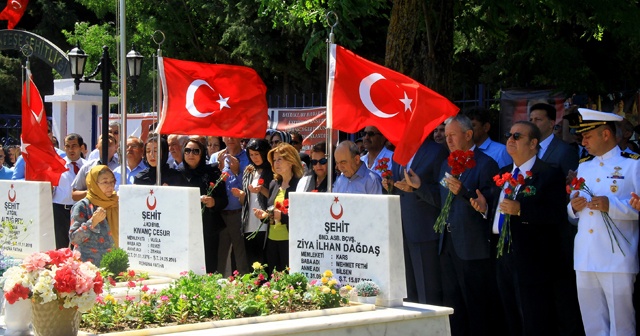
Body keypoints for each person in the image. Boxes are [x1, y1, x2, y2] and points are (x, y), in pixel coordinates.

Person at [477, 121, 565, 335]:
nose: (510, 139)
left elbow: (556, 215)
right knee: (508, 314)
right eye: (509, 134)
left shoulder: (548, 174)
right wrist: (484, 208)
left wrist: (522, 210)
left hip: (530, 256)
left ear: (533, 143)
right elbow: (496, 209)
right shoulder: (503, 172)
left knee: (532, 315)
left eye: (517, 136)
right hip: (500, 251)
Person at [566, 108, 640, 336]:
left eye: (587, 136)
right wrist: (573, 208)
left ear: (605, 134)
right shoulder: (585, 165)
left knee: (621, 323)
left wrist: (613, 206)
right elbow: (573, 206)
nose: (583, 141)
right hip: (586, 255)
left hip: (616, 256)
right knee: (592, 323)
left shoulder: (632, 164)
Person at [529, 102, 583, 335]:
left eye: (538, 120)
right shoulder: (530, 149)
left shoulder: (564, 151)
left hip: (561, 230)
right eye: (530, 120)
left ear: (552, 123)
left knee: (563, 292)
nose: (533, 124)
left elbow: (572, 190)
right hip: (537, 229)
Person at [383, 136, 448, 306]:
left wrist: (419, 188)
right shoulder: (399, 150)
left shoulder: (437, 151)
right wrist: (390, 185)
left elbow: (442, 194)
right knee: (407, 293)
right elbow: (402, 188)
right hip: (402, 230)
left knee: (428, 294)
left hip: (425, 231)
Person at [179, 139, 229, 274]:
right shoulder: (177, 173)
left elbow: (224, 200)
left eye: (196, 151)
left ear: (202, 154)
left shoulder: (212, 172)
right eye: (187, 150)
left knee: (208, 265)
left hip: (208, 227)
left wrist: (214, 202)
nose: (191, 154)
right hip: (184, 228)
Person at [253, 143, 303, 274]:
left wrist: (282, 216)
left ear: (291, 160)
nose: (276, 163)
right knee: (274, 280)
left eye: (280, 159)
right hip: (271, 240)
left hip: (290, 242)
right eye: (274, 160)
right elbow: (272, 211)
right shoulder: (274, 184)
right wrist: (264, 215)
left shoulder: (300, 184)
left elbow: (303, 217)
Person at [231, 139, 273, 265]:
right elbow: (244, 201)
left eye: (257, 154)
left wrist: (261, 189)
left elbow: (276, 196)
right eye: (251, 154)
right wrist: (241, 194)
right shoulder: (249, 170)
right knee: (252, 260)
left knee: (265, 259)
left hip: (266, 221)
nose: (254, 158)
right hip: (249, 222)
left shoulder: (272, 170)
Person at [69, 165, 117, 265]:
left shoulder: (115, 204)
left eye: (112, 181)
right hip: (88, 266)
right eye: (105, 182)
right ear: (94, 184)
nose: (110, 185)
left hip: (112, 263)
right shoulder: (82, 206)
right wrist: (92, 222)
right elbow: (74, 239)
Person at [53, 133, 87, 249]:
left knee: (78, 245)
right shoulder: (57, 164)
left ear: (81, 147)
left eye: (74, 146)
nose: (70, 149)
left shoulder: (87, 166)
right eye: (67, 146)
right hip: (60, 209)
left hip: (80, 210)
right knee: (60, 244)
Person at [72, 134, 119, 202]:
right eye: (103, 138)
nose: (106, 140)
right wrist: (94, 192)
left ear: (116, 147)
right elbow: (74, 195)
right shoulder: (87, 167)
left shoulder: (122, 168)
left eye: (110, 137)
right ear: (97, 146)